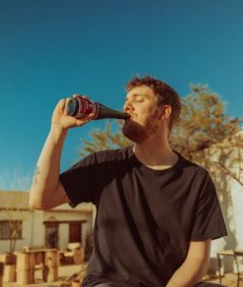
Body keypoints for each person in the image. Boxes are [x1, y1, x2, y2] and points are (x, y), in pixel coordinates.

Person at [29, 76, 227, 287]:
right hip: (108, 283)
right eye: (126, 100)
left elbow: (197, 259)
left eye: (138, 99)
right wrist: (57, 130)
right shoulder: (103, 165)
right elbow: (41, 200)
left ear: (163, 112)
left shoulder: (196, 179)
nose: (126, 105)